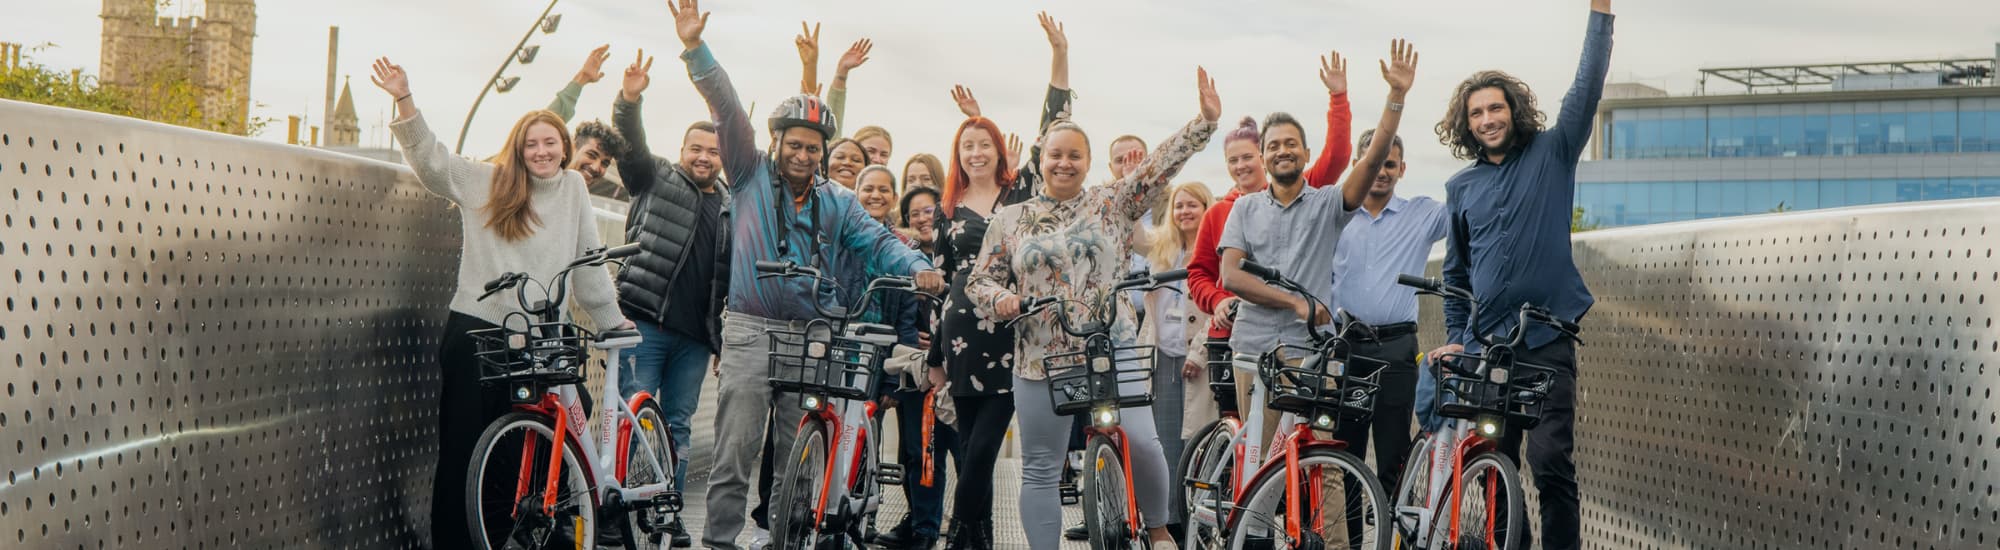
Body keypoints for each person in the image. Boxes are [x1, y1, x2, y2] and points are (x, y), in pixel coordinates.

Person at [665, 3, 946, 550]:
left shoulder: (838, 200)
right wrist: (696, 50)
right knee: (734, 453)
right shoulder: (747, 174)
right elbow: (726, 110)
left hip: (814, 338)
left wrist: (919, 270)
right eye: (793, 143)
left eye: (812, 147)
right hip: (749, 329)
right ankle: (719, 542)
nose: (802, 153)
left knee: (797, 456)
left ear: (823, 152)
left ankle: (785, 540)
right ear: (778, 144)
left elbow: (881, 240)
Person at [370, 56, 636, 550]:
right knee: (465, 454)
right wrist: (404, 99)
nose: (540, 151)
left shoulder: (575, 187)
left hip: (539, 342)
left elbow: (587, 262)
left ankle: (510, 540)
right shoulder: (489, 181)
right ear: (518, 148)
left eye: (550, 143)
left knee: (523, 459)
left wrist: (611, 320)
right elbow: (430, 162)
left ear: (565, 148)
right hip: (479, 334)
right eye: (530, 143)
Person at [971, 66, 1221, 550]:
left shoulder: (1113, 201)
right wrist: (1002, 299)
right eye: (1055, 155)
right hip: (1040, 356)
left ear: (1088, 162)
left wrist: (1204, 122)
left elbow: (1159, 167)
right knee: (1041, 466)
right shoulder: (1010, 218)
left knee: (1145, 444)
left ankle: (1159, 530)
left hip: (1113, 346)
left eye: (1075, 156)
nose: (1064, 164)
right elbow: (980, 279)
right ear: (1041, 159)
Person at [1217, 40, 1417, 543]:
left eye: (1291, 144)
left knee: (1323, 458)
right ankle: (1254, 539)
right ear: (1264, 157)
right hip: (1252, 351)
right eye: (1274, 145)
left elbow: (1372, 164)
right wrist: (1295, 301)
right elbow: (1231, 277)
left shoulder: (1328, 204)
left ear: (1306, 154)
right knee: (1259, 465)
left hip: (1310, 354)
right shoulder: (1244, 209)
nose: (1283, 150)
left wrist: (1395, 99)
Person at [1429, 2, 1613, 548]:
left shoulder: (1553, 152)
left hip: (1546, 338)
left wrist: (1600, 14)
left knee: (1551, 461)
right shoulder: (1460, 189)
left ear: (1513, 109)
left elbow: (1587, 84)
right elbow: (1457, 277)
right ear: (1466, 123)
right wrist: (1459, 340)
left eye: (1496, 107)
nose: (1488, 119)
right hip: (1488, 349)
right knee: (1494, 466)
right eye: (1477, 113)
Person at [930, 11, 1071, 548]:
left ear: (998, 151)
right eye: (967, 145)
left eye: (984, 143)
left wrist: (1059, 56)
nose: (976, 152)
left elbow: (1054, 125)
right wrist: (935, 359)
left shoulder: (1023, 194)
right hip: (961, 332)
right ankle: (979, 537)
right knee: (970, 448)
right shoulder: (948, 209)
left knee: (985, 448)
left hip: (1015, 330)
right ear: (958, 155)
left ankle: (957, 533)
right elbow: (943, 282)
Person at [1185, 50, 1357, 426]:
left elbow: (1338, 155)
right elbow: (1200, 273)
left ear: (1259, 157)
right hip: (1238, 335)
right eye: (1233, 161)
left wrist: (1338, 100)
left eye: (1246, 156)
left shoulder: (1306, 191)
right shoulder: (1220, 212)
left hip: (1300, 337)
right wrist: (1217, 300)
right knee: (1248, 438)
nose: (1242, 165)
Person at [605, 48, 731, 548]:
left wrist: (724, 338)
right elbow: (629, 147)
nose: (703, 156)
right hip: (643, 322)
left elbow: (730, 278)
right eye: (695, 148)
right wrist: (629, 101)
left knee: (676, 427)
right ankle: (615, 516)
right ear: (682, 150)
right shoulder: (655, 177)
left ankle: (667, 515)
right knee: (629, 419)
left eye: (713, 151)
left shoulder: (731, 206)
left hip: (695, 339)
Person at [1327, 127, 1445, 501]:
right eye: (1373, 163)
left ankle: (1395, 540)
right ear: (1358, 165)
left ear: (1402, 169)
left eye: (1389, 164)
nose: (1381, 171)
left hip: (1397, 348)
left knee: (1395, 455)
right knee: (1345, 454)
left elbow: (1470, 212)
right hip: (1346, 347)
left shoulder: (1422, 214)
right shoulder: (1335, 216)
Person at [1131, 181, 1215, 539]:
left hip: (1199, 360)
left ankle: (1201, 520)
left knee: (1198, 442)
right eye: (1179, 205)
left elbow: (1220, 306)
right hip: (1162, 356)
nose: (1184, 212)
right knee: (1163, 444)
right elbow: (1133, 234)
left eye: (1192, 205)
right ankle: (1169, 525)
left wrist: (1200, 352)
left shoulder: (1215, 249)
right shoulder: (1163, 248)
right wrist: (1137, 183)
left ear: (1206, 208)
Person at [544, 44, 632, 200]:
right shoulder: (541, 175)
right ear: (570, 148)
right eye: (592, 155)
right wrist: (581, 79)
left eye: (605, 163)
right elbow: (544, 124)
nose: (596, 167)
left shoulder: (577, 201)